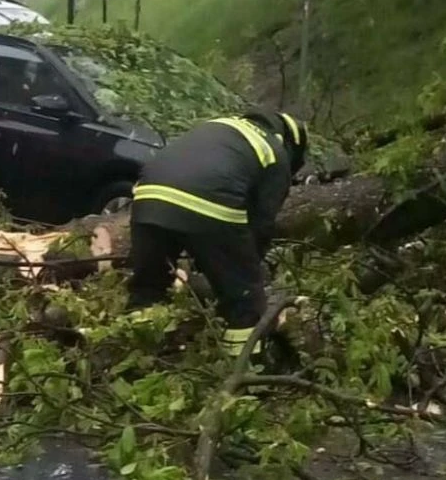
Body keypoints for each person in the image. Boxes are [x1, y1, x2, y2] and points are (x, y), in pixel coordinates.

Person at [126, 110, 309, 357]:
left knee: (149, 286)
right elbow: (261, 224)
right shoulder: (274, 152)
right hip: (209, 207)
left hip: (147, 198)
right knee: (244, 300)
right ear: (291, 144)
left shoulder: (219, 126)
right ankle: (245, 369)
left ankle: (138, 353)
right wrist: (244, 269)